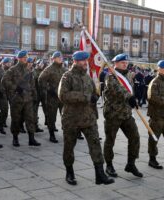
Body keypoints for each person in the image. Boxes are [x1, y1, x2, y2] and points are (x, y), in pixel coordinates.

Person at [58, 51, 114, 186]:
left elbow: (92, 94)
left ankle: (100, 174)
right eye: (83, 61)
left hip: (88, 118)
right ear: (75, 61)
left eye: (86, 60)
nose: (85, 63)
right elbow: (63, 95)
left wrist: (95, 98)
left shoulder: (88, 77)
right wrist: (85, 97)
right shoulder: (67, 76)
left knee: (95, 144)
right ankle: (69, 172)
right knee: (69, 147)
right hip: (72, 119)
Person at [103, 54, 143, 178]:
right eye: (122, 62)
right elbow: (118, 90)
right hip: (113, 114)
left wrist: (134, 99)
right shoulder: (111, 76)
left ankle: (131, 164)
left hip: (126, 114)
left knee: (135, 137)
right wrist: (130, 97)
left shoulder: (128, 76)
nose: (125, 64)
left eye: (126, 62)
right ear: (115, 63)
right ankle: (109, 165)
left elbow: (130, 90)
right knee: (110, 141)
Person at [2, 51, 41, 147]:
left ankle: (31, 139)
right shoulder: (13, 70)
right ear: (18, 58)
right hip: (17, 99)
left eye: (26, 57)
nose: (25, 58)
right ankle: (15, 138)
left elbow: (32, 84)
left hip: (28, 99)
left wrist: (34, 96)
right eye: (23, 57)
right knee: (16, 119)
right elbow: (4, 80)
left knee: (30, 119)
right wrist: (15, 87)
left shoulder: (29, 70)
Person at [38, 51, 66, 143]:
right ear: (54, 59)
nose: (60, 59)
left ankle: (66, 133)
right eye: (59, 57)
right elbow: (41, 79)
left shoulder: (63, 69)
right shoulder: (49, 69)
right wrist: (48, 89)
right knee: (51, 116)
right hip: (52, 97)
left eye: (61, 57)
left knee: (65, 115)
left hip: (62, 97)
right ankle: (51, 135)